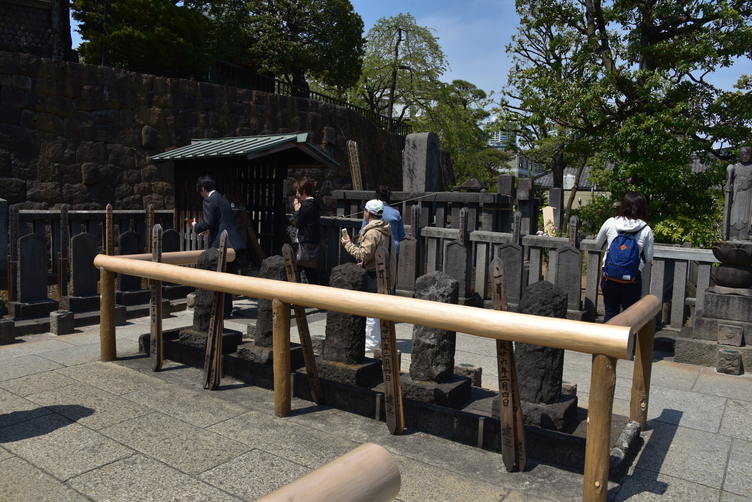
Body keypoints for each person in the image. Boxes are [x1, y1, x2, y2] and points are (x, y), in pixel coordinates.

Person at [341, 199, 396, 352]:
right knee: (379, 311)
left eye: (364, 210)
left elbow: (363, 254)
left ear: (368, 213)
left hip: (374, 276)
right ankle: (378, 342)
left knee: (372, 312)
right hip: (384, 273)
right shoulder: (386, 228)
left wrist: (348, 244)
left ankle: (371, 345)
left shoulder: (372, 232)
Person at [192, 175, 247, 318]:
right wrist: (208, 229)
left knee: (218, 279)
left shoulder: (209, 200)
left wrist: (196, 226)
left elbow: (208, 222)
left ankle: (219, 311)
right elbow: (222, 221)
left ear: (203, 189)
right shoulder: (224, 200)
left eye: (200, 191)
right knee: (227, 279)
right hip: (235, 244)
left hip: (223, 245)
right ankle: (225, 311)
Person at [596, 191, 654, 323]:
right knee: (631, 317)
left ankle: (607, 343)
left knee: (610, 313)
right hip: (631, 279)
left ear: (624, 205)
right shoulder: (645, 229)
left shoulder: (610, 222)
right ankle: (627, 343)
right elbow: (649, 257)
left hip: (609, 276)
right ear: (643, 207)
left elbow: (598, 243)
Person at [292, 178, 323, 284]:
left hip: (305, 242)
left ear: (303, 191)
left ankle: (294, 295)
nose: (296, 194)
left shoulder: (306, 205)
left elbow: (298, 223)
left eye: (297, 191)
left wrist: (296, 210)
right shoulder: (314, 203)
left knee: (295, 270)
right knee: (310, 271)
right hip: (313, 241)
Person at [361, 185, 405, 257]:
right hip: (393, 249)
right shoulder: (396, 213)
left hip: (374, 248)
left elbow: (362, 232)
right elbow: (401, 235)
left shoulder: (371, 212)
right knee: (392, 268)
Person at [726, 145, 752, 240]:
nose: (745, 156)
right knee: (735, 216)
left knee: (747, 216)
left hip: (748, 197)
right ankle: (733, 236)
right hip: (736, 196)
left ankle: (746, 234)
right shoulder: (734, 167)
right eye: (743, 153)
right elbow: (728, 183)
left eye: (747, 154)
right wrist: (728, 185)